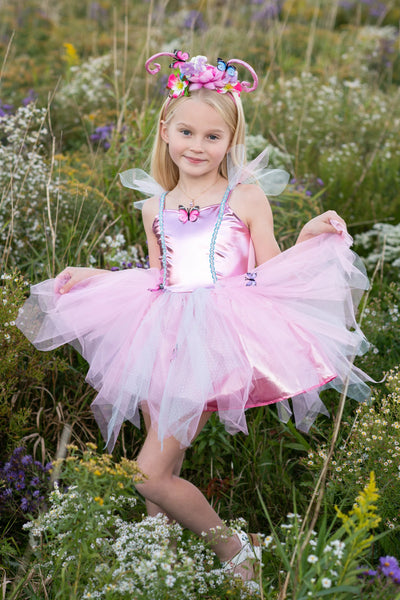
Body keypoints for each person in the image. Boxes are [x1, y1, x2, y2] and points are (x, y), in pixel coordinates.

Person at [16, 50, 371, 591]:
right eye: (187, 132)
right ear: (165, 130)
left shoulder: (245, 197)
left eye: (212, 137)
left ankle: (234, 548)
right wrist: (92, 274)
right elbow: (159, 277)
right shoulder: (151, 208)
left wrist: (305, 239)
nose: (197, 146)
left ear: (230, 141)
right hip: (160, 334)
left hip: (219, 339)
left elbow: (271, 270)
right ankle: (154, 562)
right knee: (166, 463)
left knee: (148, 474)